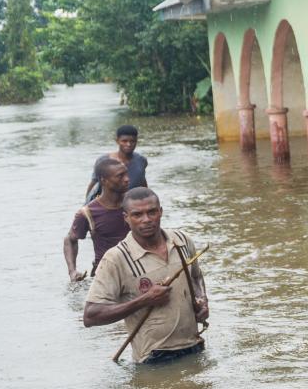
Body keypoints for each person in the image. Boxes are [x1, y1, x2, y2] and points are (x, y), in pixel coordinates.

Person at [82, 187, 208, 364]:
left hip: (195, 346)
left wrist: (202, 299)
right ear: (126, 218)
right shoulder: (116, 258)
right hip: (153, 358)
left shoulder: (182, 240)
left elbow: (196, 276)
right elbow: (90, 316)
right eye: (137, 215)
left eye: (152, 212)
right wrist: (144, 300)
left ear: (161, 212)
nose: (146, 220)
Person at [64, 157, 130, 282]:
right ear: (104, 181)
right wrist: (72, 272)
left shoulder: (135, 204)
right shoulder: (87, 213)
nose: (127, 179)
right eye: (120, 176)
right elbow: (70, 239)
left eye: (127, 174)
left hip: (139, 268)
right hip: (105, 274)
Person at [88, 124, 147, 199]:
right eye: (124, 141)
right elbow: (94, 183)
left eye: (132, 141)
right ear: (117, 141)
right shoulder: (103, 161)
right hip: (110, 203)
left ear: (136, 141)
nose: (128, 144)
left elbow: (142, 182)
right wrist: (87, 204)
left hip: (132, 204)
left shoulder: (141, 160)